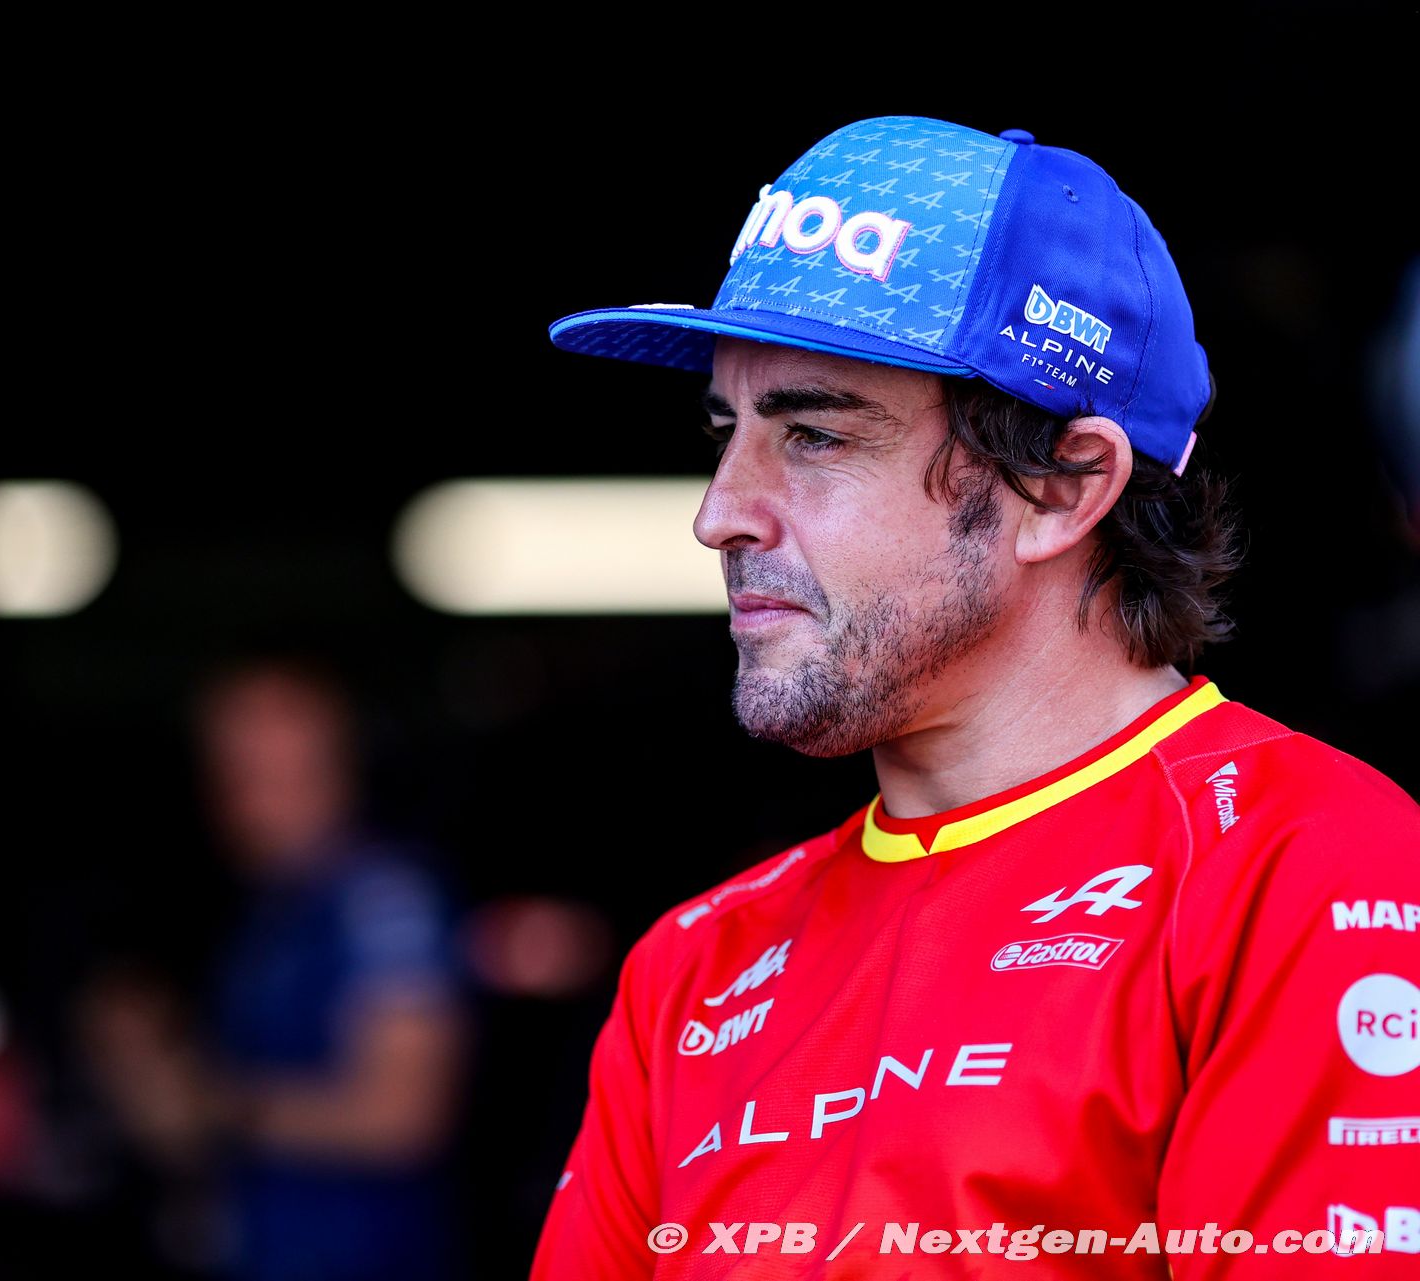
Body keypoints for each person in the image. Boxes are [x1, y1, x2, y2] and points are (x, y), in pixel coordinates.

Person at [529, 116, 1420, 1279]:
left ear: (1064, 487)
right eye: (725, 433)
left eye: (813, 435)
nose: (719, 514)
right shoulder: (693, 970)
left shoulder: (1304, 870)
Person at [83, 655, 470, 1281]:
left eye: (283, 770)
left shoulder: (383, 901)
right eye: (237, 772)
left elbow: (404, 1113)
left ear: (340, 763)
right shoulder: (261, 913)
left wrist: (214, 1106)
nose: (256, 799)